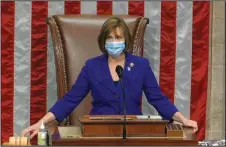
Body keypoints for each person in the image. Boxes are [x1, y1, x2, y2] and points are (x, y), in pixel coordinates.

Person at [22, 16, 198, 138]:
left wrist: (183, 119)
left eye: (118, 37)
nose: (114, 42)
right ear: (103, 41)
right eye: (110, 38)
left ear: (126, 40)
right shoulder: (92, 66)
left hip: (134, 133)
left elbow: (158, 98)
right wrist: (41, 123)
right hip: (97, 132)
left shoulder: (141, 66)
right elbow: (70, 99)